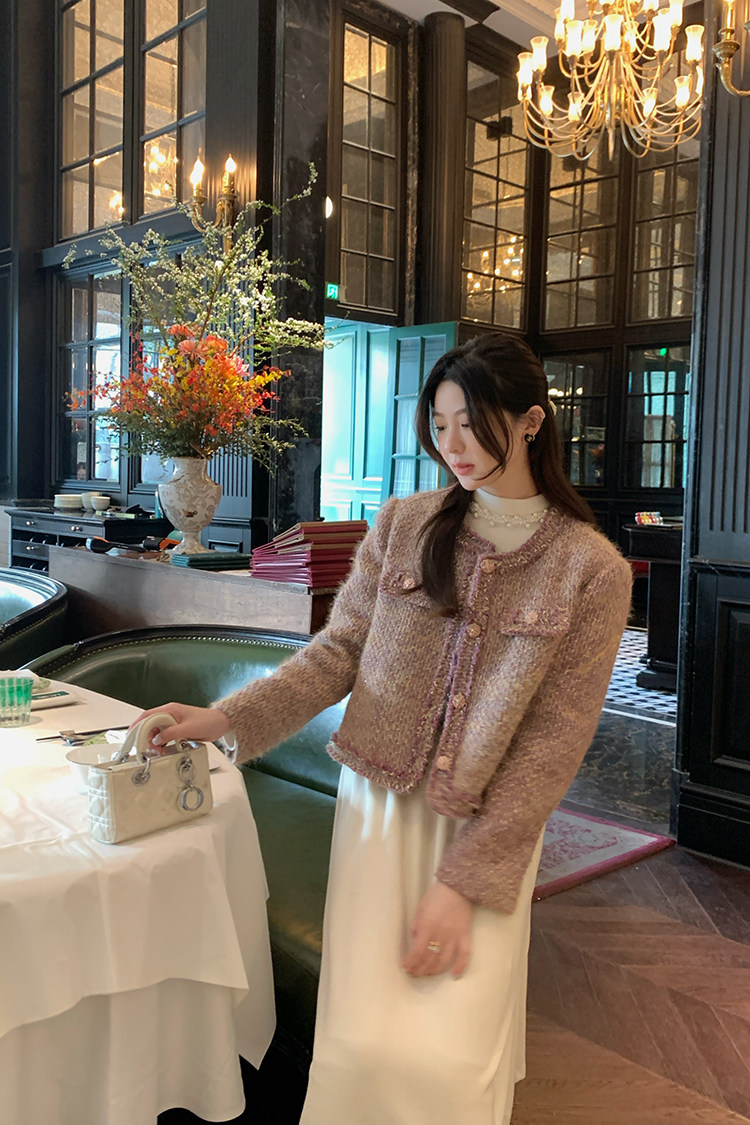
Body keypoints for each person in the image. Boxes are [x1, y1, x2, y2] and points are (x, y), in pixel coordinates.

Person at [136, 332, 632, 1124]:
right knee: (361, 1041)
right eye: (440, 425)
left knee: (453, 1055)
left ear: (532, 421)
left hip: (483, 827)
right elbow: (336, 654)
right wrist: (228, 717)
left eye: (472, 423)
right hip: (377, 810)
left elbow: (552, 744)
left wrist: (465, 882)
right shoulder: (403, 524)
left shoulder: (592, 571)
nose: (453, 444)